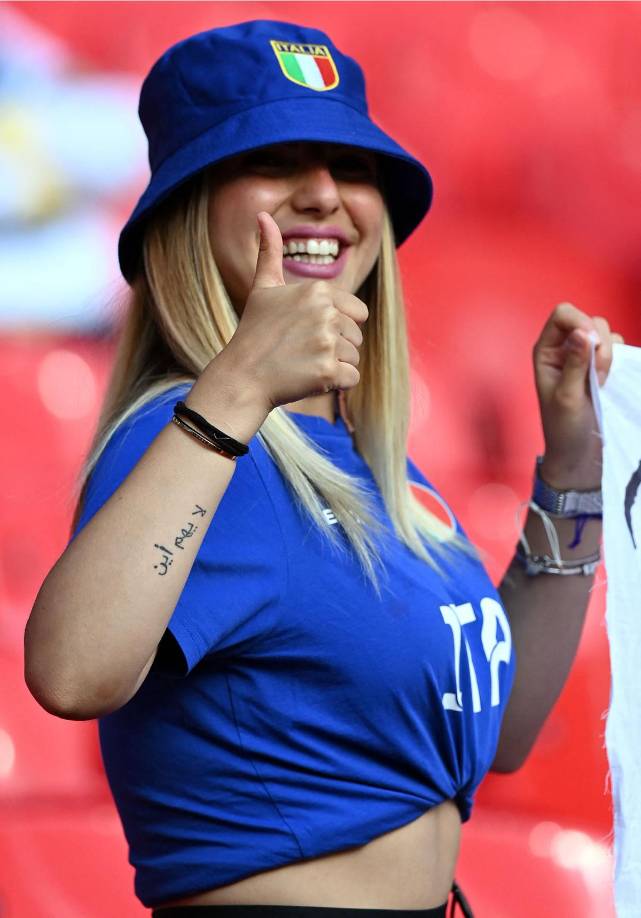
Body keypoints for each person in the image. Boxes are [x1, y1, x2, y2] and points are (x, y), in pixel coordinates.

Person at [24, 18, 622, 918]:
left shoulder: (385, 473)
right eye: (272, 162)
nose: (323, 195)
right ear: (188, 210)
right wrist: (235, 389)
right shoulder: (188, 438)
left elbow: (495, 735)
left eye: (350, 167)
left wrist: (572, 471)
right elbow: (70, 674)